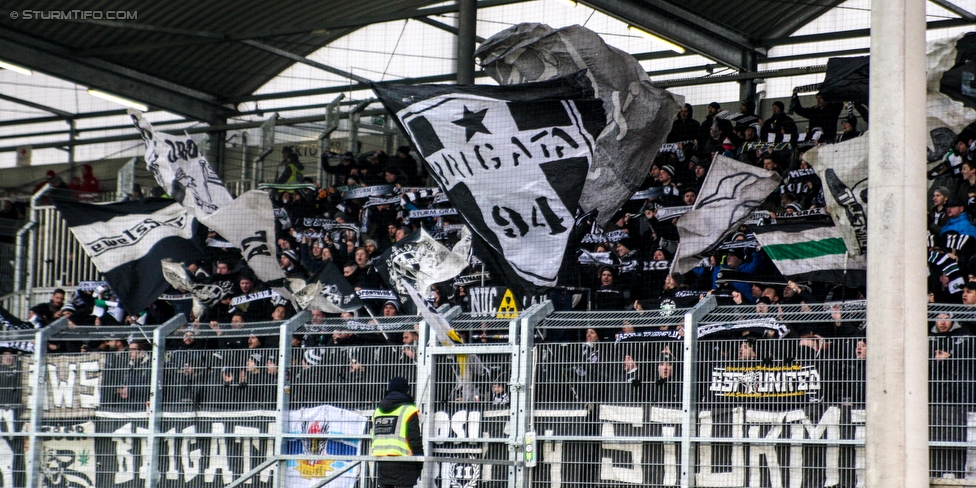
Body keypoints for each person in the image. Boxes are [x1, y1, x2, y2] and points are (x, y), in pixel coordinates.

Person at [371, 377, 423, 488]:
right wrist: (419, 462)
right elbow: (415, 441)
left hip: (383, 465)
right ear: (406, 391)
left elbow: (374, 437)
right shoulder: (408, 410)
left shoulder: (378, 411)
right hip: (405, 466)